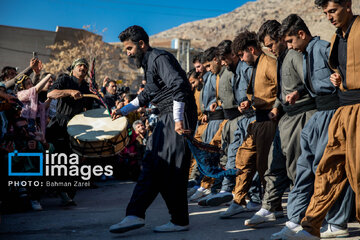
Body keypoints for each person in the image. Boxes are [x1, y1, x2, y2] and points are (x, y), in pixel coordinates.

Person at [273, 13, 354, 240]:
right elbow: (314, 85)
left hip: (333, 114)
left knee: (329, 169)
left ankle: (337, 223)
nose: (289, 47)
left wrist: (339, 79)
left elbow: (344, 76)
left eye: (290, 41)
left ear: (301, 34)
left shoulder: (323, 48)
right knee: (304, 169)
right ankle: (294, 221)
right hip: (317, 116)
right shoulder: (305, 52)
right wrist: (298, 92)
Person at [109, 25, 197, 234]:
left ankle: (175, 219)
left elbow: (178, 85)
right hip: (167, 116)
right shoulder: (149, 63)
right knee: (154, 163)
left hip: (177, 115)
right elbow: (147, 94)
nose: (128, 53)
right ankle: (136, 214)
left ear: (141, 44)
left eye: (130, 48)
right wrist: (124, 110)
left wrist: (177, 120)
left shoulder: (159, 58)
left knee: (170, 167)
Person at [244, 19, 317, 227]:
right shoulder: (281, 58)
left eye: (271, 44)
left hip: (301, 118)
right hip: (284, 119)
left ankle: (300, 216)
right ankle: (268, 207)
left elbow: (308, 82)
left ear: (282, 39)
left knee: (296, 170)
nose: (269, 49)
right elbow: (283, 89)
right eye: (266, 46)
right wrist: (277, 106)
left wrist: (297, 94)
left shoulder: (294, 56)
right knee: (273, 165)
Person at [220, 30, 278, 219]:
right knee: (243, 160)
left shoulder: (269, 63)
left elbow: (281, 89)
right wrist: (249, 102)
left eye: (241, 55)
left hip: (267, 121)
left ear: (250, 49)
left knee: (264, 167)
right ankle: (238, 201)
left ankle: (273, 207)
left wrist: (273, 108)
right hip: (255, 121)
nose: (242, 60)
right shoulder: (256, 65)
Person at [46, 58, 94, 206]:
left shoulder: (86, 86)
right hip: (60, 125)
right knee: (61, 160)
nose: (83, 68)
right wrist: (70, 92)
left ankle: (68, 194)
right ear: (73, 68)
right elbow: (50, 94)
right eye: (80, 65)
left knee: (75, 161)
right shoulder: (64, 79)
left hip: (77, 127)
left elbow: (89, 109)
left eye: (85, 67)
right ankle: (60, 191)